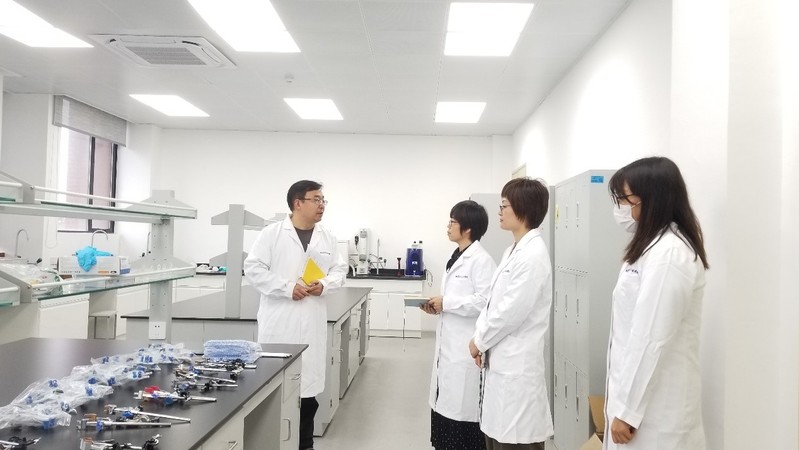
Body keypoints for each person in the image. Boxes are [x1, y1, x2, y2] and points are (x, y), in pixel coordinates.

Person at [604, 156, 709, 450]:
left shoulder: (670, 254)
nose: (620, 208)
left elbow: (650, 336)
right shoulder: (651, 247)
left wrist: (627, 410)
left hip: (657, 415)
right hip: (640, 405)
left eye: (625, 199)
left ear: (652, 198)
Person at [244, 180, 348, 450]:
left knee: (308, 395)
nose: (322, 205)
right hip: (280, 322)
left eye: (323, 200)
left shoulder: (327, 237)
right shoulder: (272, 234)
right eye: (316, 199)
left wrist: (324, 284)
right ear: (297, 203)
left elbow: (339, 270)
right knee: (276, 391)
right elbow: (253, 269)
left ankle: (305, 445)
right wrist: (286, 288)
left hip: (312, 321)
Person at [468, 178, 554, 450]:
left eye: (504, 205)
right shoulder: (512, 251)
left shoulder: (533, 256)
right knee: (497, 438)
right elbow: (493, 304)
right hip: (501, 365)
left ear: (523, 209)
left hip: (518, 371)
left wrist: (479, 341)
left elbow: (510, 312)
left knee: (516, 441)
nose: (500, 211)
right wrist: (481, 339)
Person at [421, 200, 497, 450]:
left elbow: (485, 301)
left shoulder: (481, 260)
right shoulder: (455, 257)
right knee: (445, 408)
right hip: (448, 349)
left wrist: (447, 303)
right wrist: (438, 306)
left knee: (463, 416)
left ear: (468, 228)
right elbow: (458, 300)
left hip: (465, 350)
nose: (448, 226)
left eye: (453, 222)